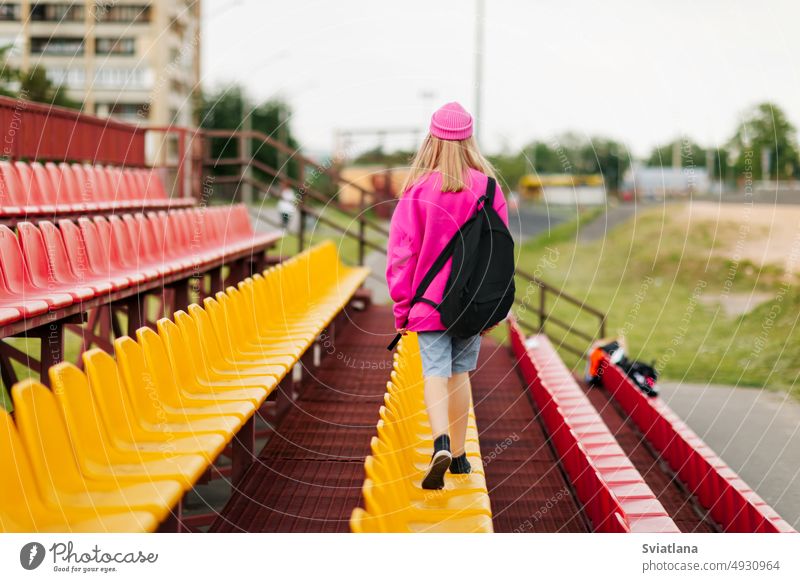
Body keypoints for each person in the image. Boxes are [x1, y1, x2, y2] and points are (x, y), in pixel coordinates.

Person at [386, 102, 509, 490]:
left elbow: (401, 254)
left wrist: (403, 307)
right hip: (471, 303)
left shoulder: (417, 190)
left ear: (432, 141)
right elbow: (499, 251)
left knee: (434, 374)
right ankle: (458, 456)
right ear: (470, 140)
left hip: (428, 304)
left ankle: (438, 442)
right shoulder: (489, 188)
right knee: (460, 374)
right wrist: (493, 307)